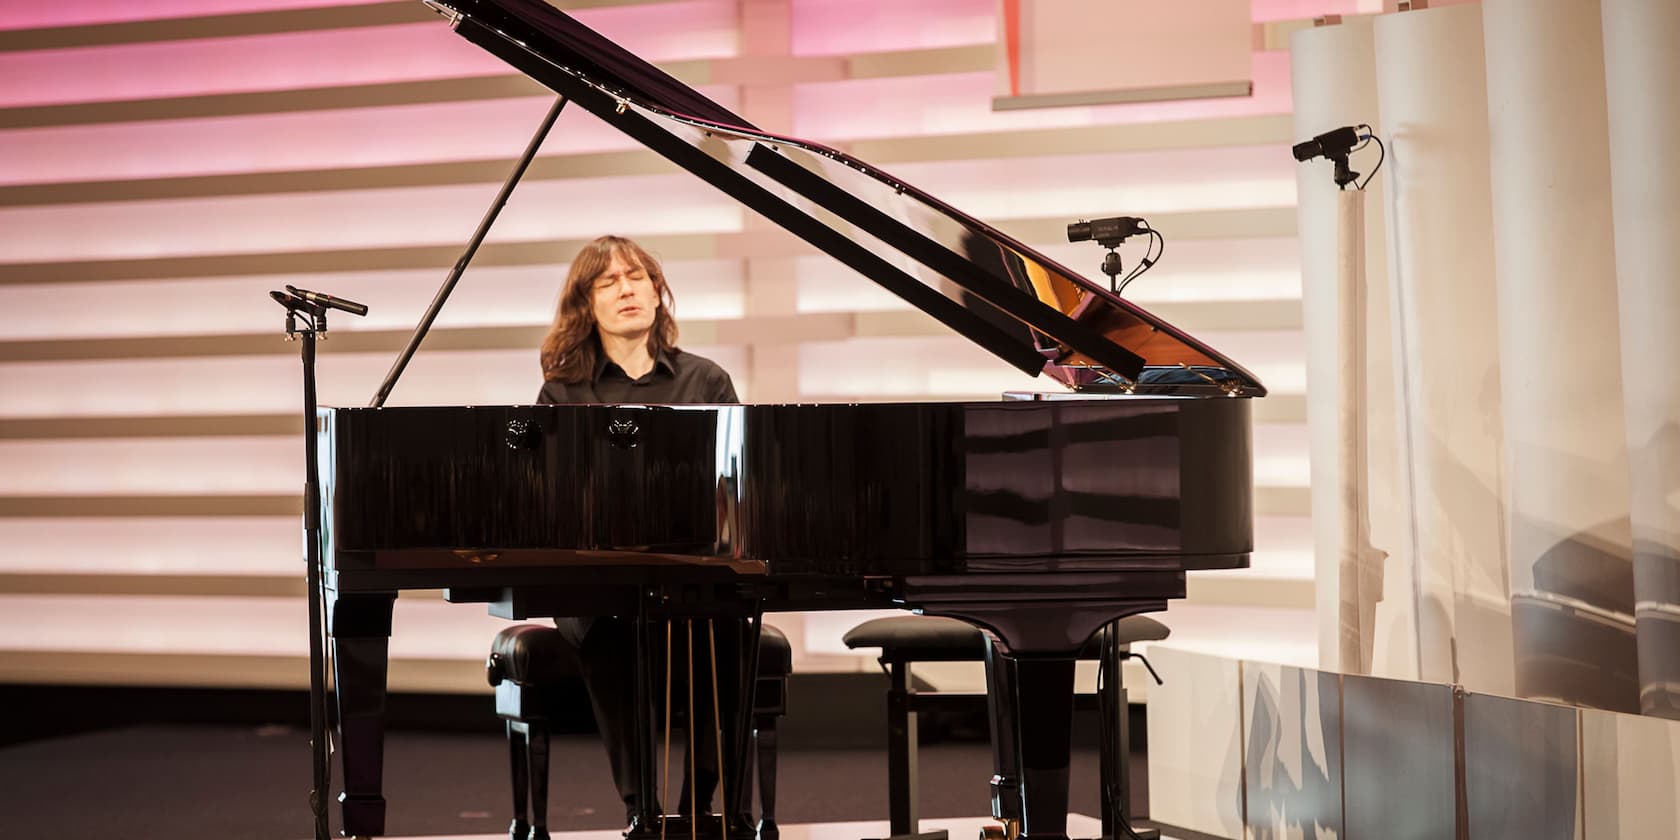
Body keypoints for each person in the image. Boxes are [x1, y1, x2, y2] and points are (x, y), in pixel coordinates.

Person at [535, 235, 743, 828]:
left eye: (636, 277)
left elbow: (736, 488)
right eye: (607, 282)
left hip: (690, 572)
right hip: (596, 577)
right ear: (587, 305)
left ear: (657, 292)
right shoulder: (563, 394)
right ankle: (641, 809)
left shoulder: (706, 382)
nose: (625, 289)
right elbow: (550, 501)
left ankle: (700, 808)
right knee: (609, 623)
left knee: (731, 628)